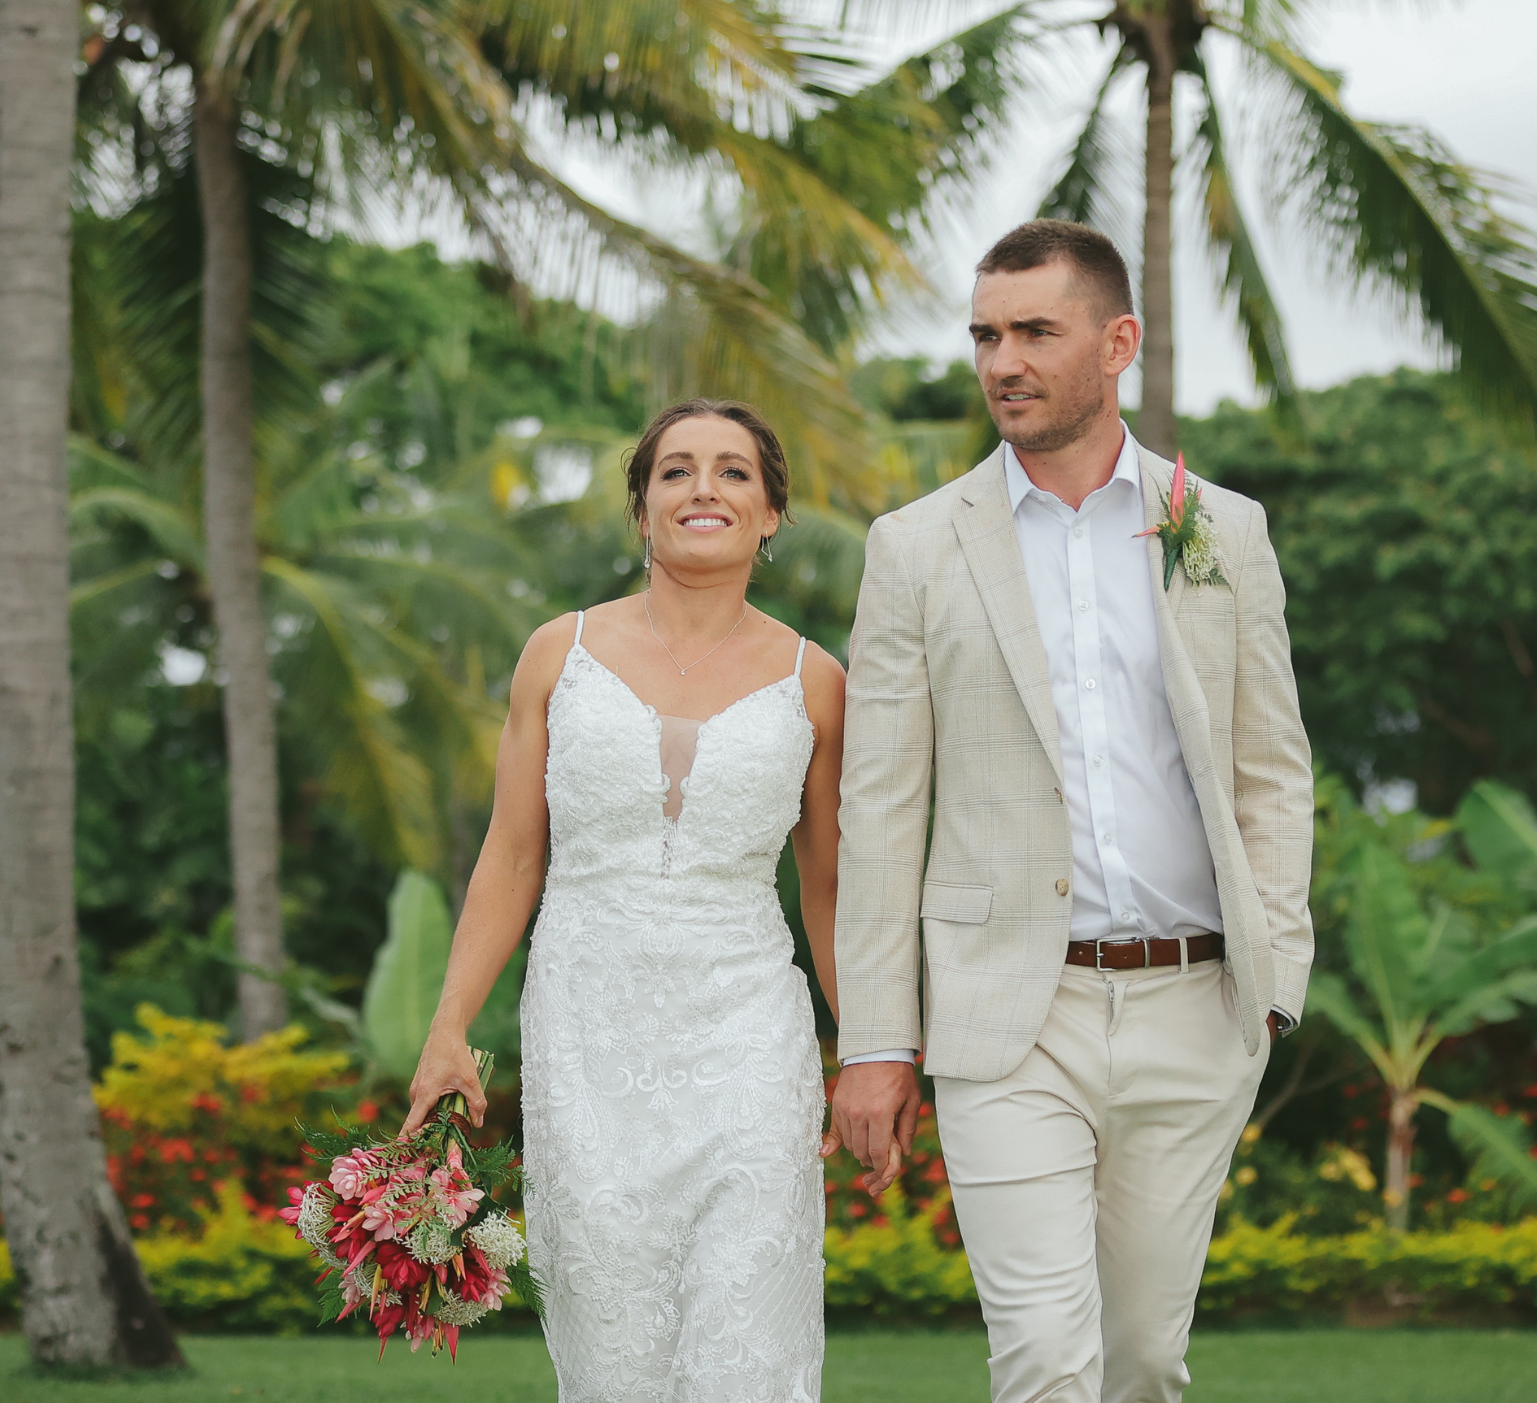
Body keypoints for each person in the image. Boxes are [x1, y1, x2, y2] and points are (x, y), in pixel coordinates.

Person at [829, 219, 1315, 1403]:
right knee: (1046, 1360)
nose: (1003, 361)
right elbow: (880, 808)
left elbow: (1270, 770)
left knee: (1143, 1363)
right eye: (987, 335)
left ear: (1117, 344)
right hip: (1006, 1018)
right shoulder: (914, 548)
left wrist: (1275, 977)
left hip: (1196, 1006)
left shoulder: (1225, 529)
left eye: (1035, 332)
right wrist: (878, 1042)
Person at [402, 399, 847, 1402]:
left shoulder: (816, 682)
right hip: (586, 1035)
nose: (704, 489)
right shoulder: (556, 656)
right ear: (640, 508)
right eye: (676, 471)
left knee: (748, 1337)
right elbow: (513, 859)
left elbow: (826, 888)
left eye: (734, 472)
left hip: (749, 1036)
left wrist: (866, 1057)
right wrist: (448, 1027)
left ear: (771, 511)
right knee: (612, 1349)